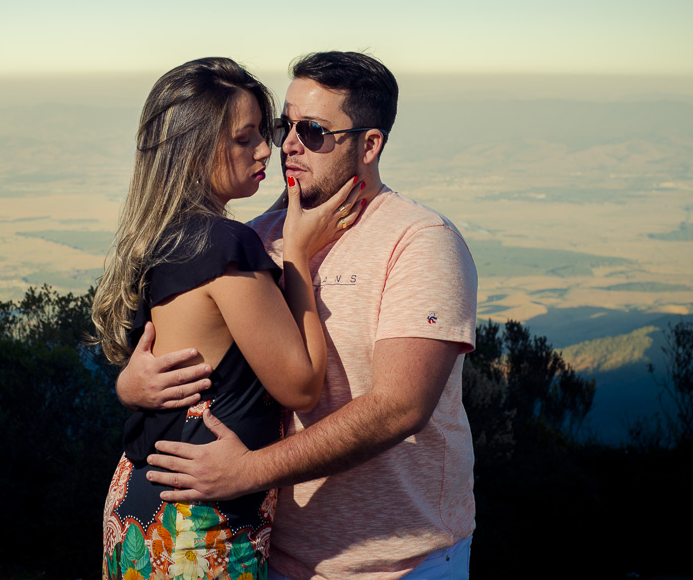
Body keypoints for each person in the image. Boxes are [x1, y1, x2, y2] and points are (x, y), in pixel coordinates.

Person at [118, 51, 478, 580]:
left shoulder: (420, 243)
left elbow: (400, 407)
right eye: (286, 125)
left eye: (312, 131)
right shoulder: (259, 235)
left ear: (369, 144)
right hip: (268, 552)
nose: (285, 144)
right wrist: (131, 383)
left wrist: (248, 472)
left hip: (396, 563)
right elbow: (195, 350)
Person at [93, 57, 365, 580]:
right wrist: (299, 258)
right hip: (199, 530)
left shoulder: (160, 238)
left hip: (140, 507)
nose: (268, 149)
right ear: (194, 148)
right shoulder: (224, 243)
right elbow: (301, 385)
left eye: (267, 131)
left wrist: (127, 385)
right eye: (245, 139)